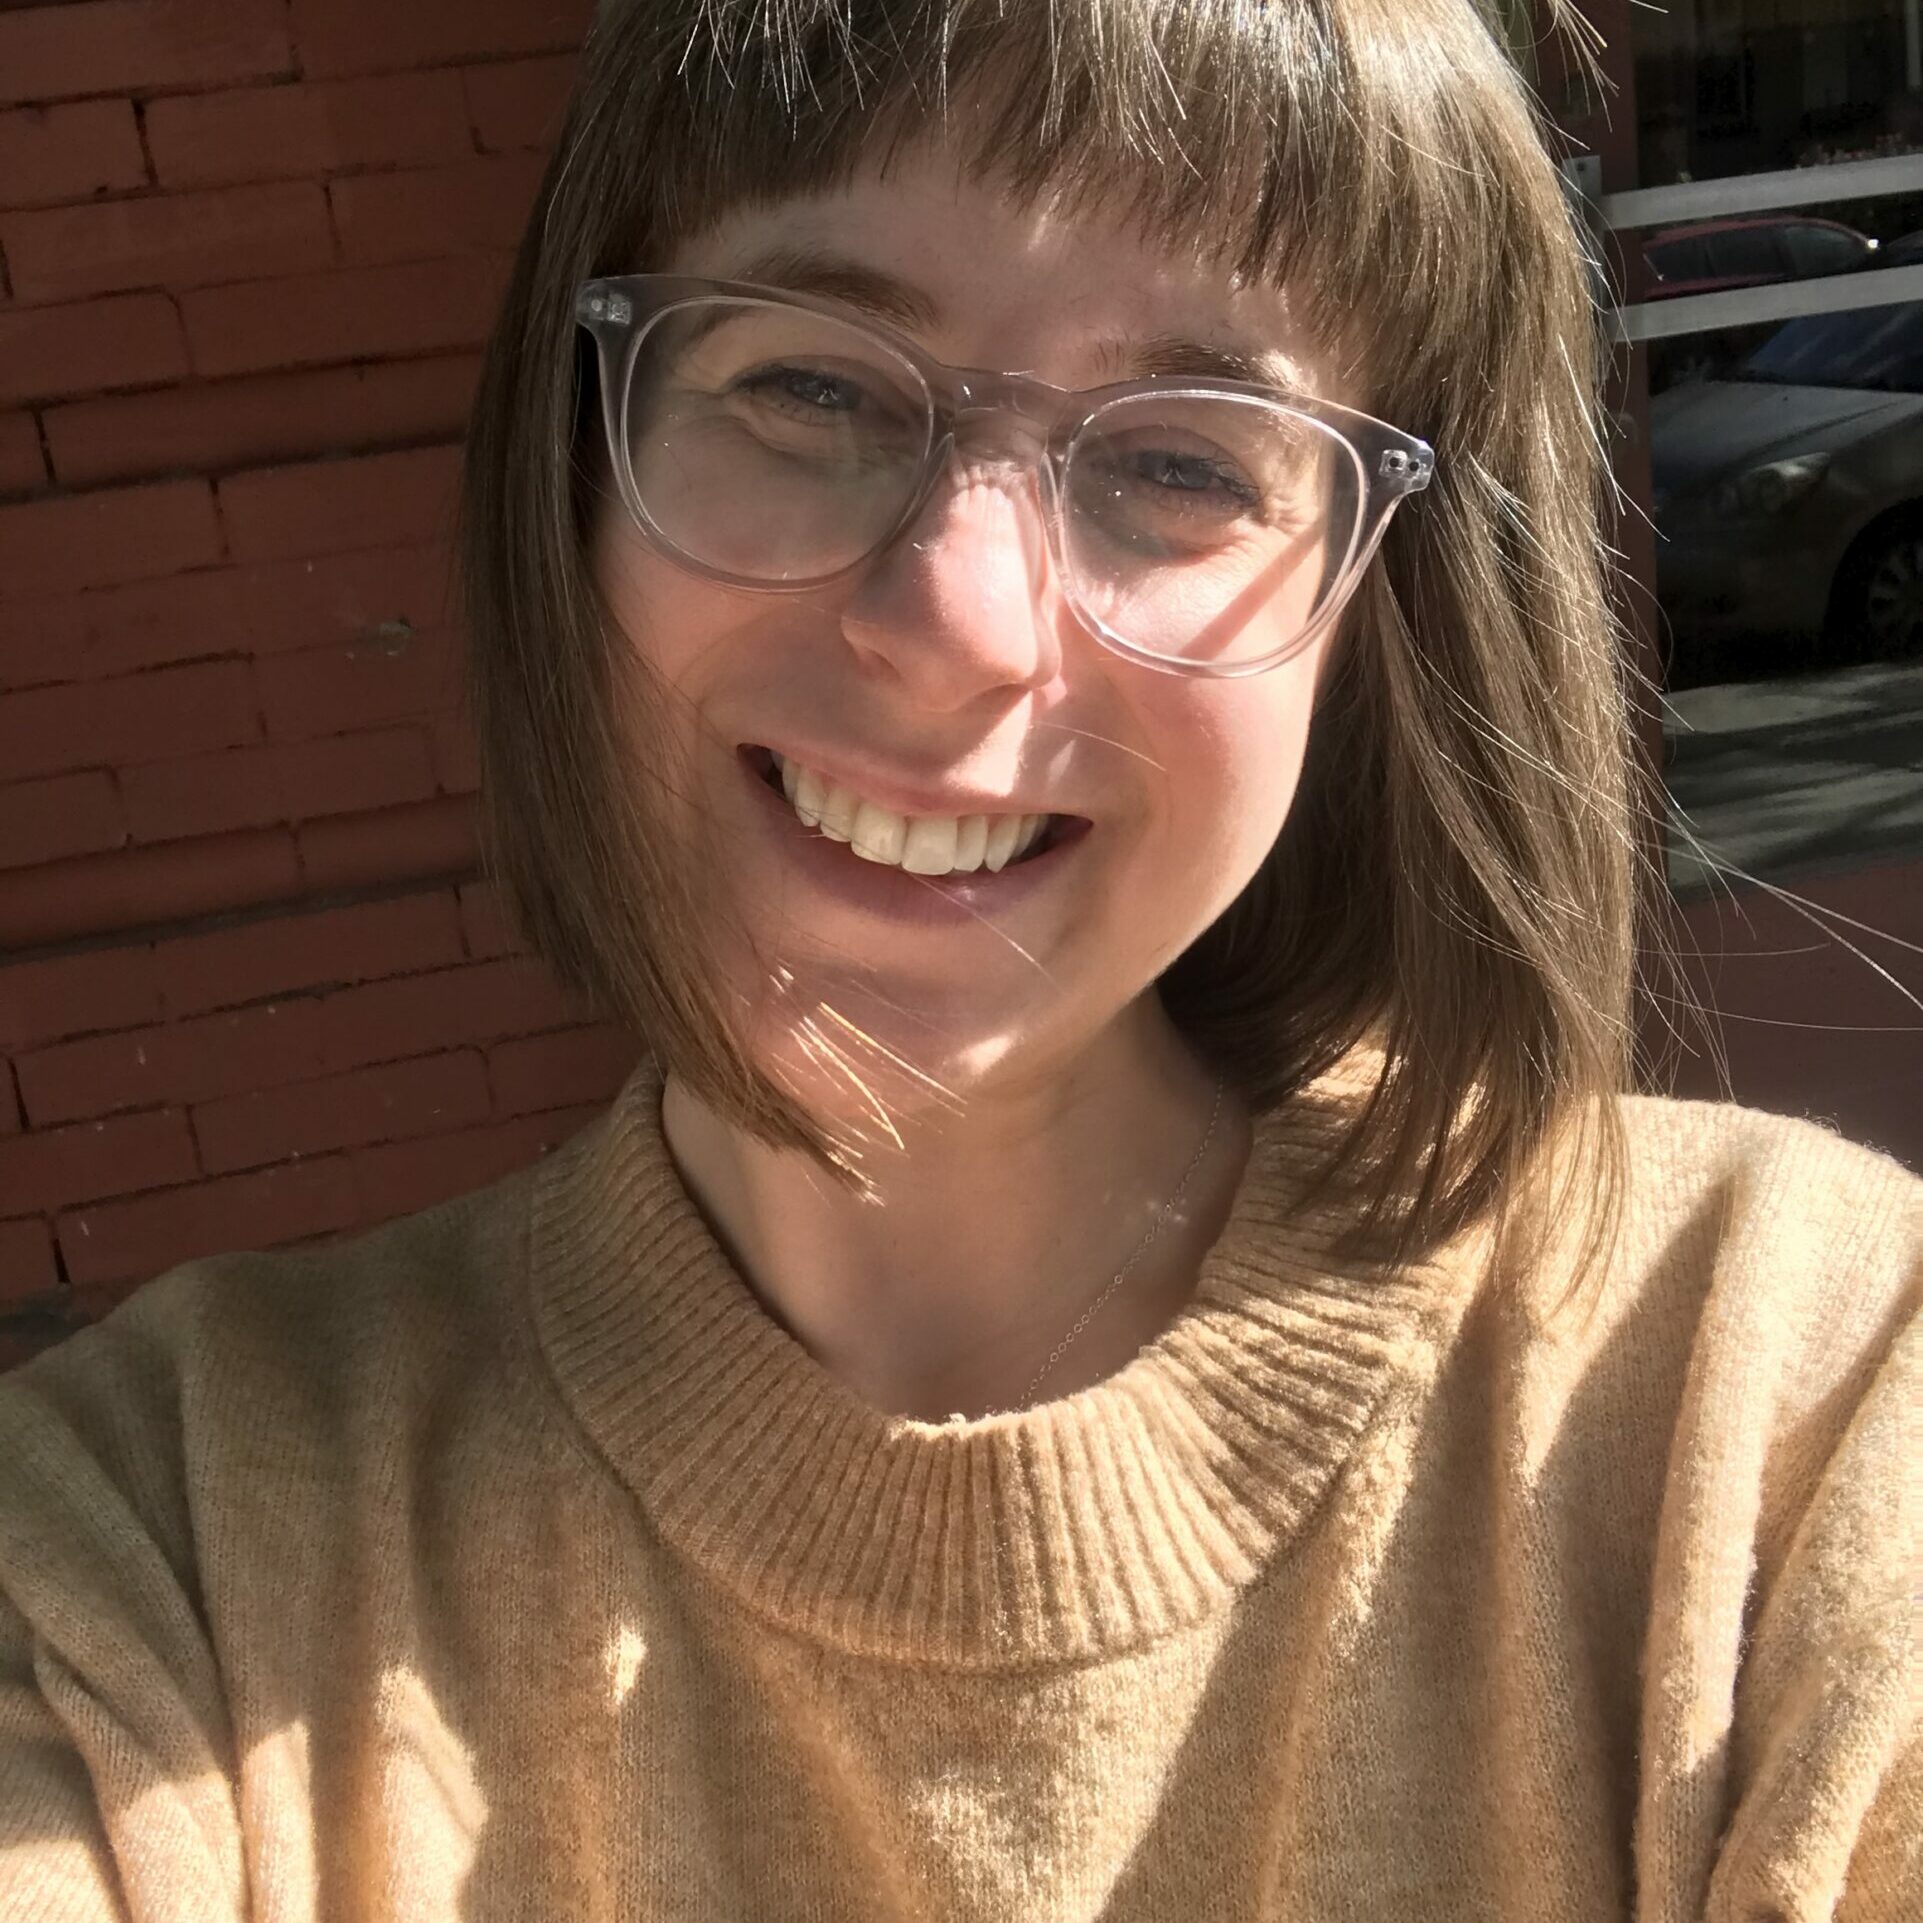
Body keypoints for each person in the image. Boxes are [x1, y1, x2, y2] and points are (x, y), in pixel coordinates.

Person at [2, 2, 1916, 1917]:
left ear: (1372, 617)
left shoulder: (1783, 1404)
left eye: (1182, 461)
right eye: (811, 388)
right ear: (581, 462)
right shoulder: (156, 1544)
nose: (960, 621)